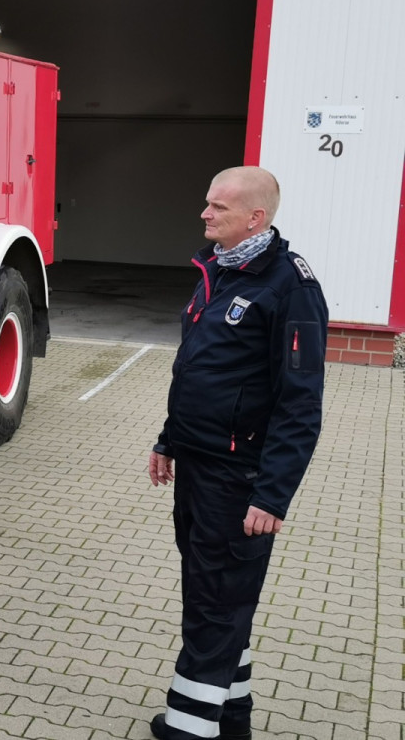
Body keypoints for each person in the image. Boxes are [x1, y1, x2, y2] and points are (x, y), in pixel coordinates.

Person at [147, 167, 327, 740]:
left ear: (256, 217)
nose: (205, 213)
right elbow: (200, 370)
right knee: (217, 594)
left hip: (239, 478)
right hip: (197, 466)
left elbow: (300, 404)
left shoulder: (289, 287)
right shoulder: (220, 271)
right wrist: (169, 440)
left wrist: (272, 495)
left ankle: (189, 727)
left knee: (216, 602)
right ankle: (229, 719)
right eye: (207, 203)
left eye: (218, 207)